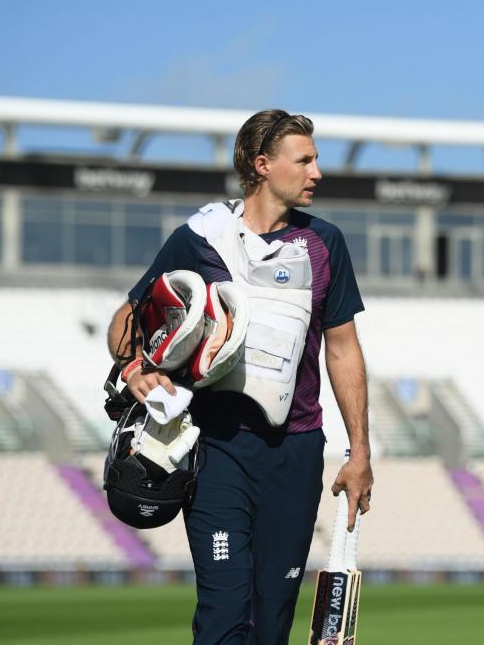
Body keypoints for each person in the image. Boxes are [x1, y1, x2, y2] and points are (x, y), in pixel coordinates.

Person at [106, 109, 374, 644]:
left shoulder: (327, 244)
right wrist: (135, 367)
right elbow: (126, 321)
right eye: (305, 160)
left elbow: (343, 350)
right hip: (216, 448)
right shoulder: (200, 237)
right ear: (262, 165)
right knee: (225, 609)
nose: (317, 172)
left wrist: (359, 451)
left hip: (296, 452)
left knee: (272, 620)